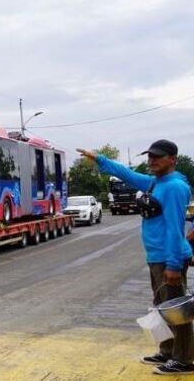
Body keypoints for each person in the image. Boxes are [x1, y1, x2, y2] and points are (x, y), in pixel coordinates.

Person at [78, 140, 193, 375]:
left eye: (158, 157)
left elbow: (175, 228)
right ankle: (168, 351)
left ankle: (184, 360)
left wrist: (172, 264)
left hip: (168, 258)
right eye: (150, 156)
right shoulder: (156, 182)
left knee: (178, 312)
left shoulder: (173, 187)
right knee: (163, 307)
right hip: (157, 257)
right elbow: (128, 174)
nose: (152, 161)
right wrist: (100, 159)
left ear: (172, 159)